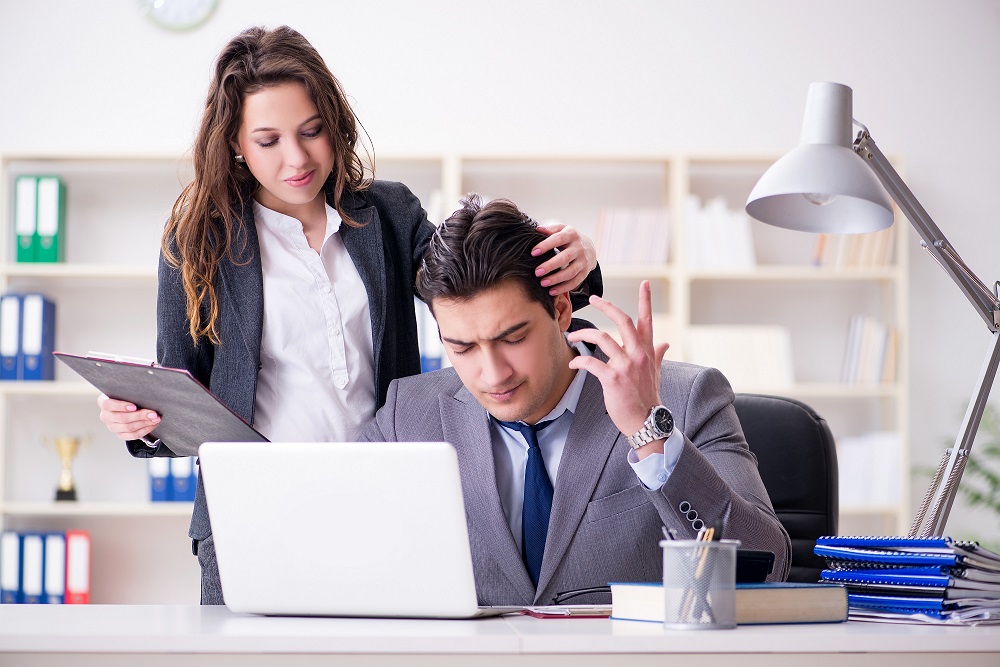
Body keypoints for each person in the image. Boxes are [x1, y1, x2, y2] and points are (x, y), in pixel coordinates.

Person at [96, 26, 602, 605]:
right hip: (252, 511)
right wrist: (142, 421)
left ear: (333, 123)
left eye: (312, 131)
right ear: (234, 142)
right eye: (268, 140)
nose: (297, 158)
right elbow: (179, 388)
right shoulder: (197, 243)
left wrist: (576, 265)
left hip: (387, 500)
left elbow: (475, 286)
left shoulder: (387, 214)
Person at [363, 196, 791, 606]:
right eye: (462, 348)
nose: (492, 374)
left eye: (513, 338)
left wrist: (649, 434)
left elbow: (765, 568)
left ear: (562, 309)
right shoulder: (409, 414)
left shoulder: (687, 397)